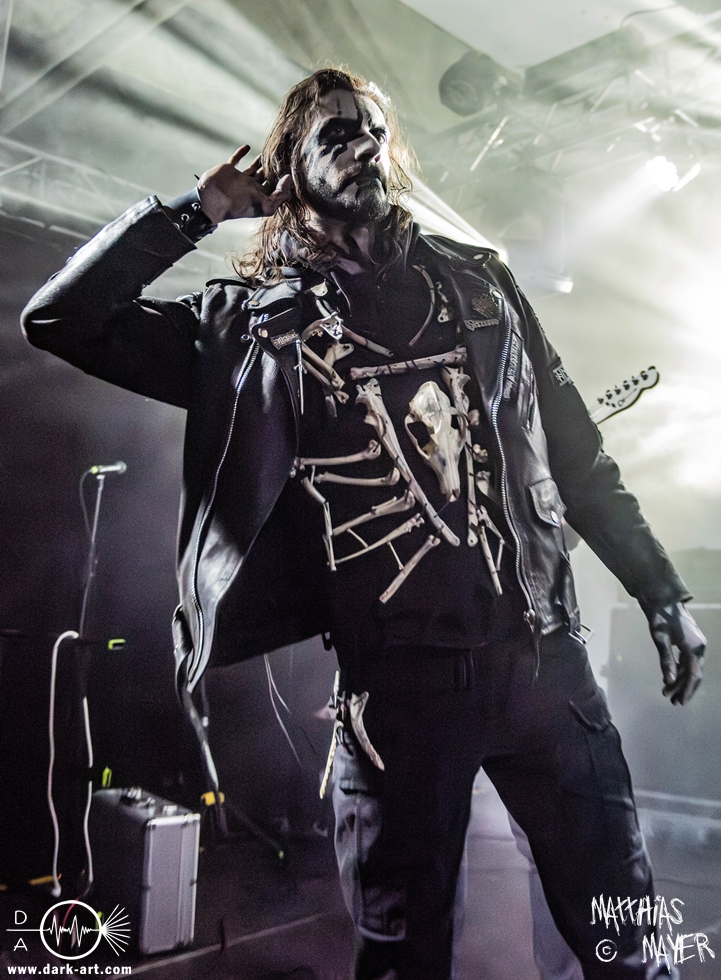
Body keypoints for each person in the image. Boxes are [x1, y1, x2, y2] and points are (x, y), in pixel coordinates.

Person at [22, 68, 706, 980]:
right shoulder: (246, 329)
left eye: (374, 131)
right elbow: (60, 318)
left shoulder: (482, 284)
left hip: (545, 666)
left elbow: (578, 457)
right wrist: (197, 210)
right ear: (287, 169)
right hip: (398, 695)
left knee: (631, 941)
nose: (363, 146)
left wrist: (659, 591)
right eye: (336, 134)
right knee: (400, 958)